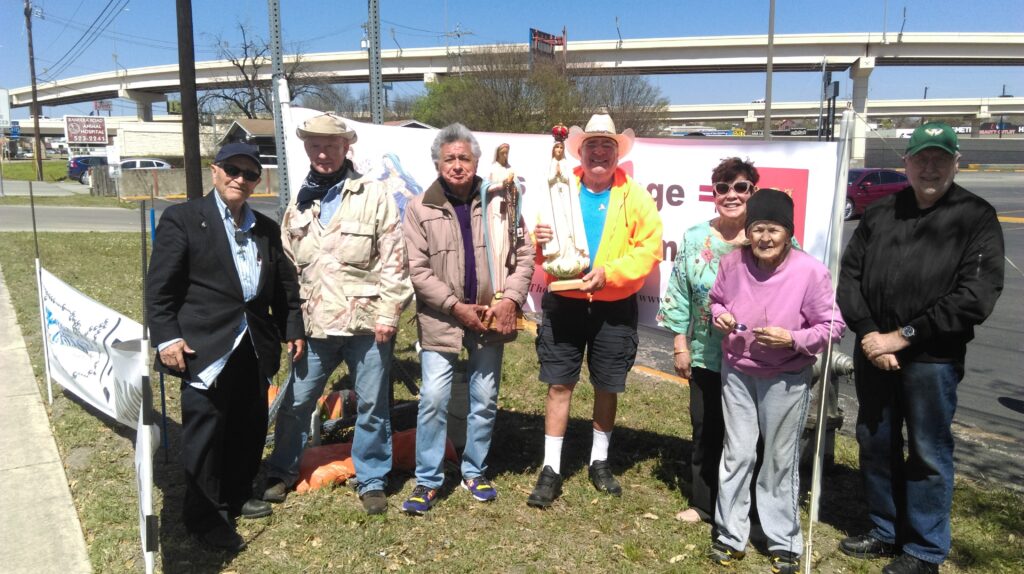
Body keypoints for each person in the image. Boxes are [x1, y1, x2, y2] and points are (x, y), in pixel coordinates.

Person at [837, 122, 1004, 574]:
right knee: (876, 441)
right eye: (922, 158)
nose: (930, 167)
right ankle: (885, 528)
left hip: (932, 359)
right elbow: (850, 277)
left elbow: (975, 296)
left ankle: (925, 548)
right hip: (874, 350)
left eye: (940, 158)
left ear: (955, 162)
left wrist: (903, 336)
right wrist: (870, 335)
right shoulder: (881, 213)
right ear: (906, 163)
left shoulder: (975, 216)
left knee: (928, 452)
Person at [146, 141, 305, 551]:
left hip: (253, 342)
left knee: (248, 424)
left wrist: (292, 328)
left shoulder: (264, 227)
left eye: (249, 174)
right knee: (206, 432)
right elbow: (160, 288)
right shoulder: (183, 219)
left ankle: (236, 493)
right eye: (232, 169)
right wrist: (167, 338)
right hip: (204, 344)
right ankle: (205, 515)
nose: (240, 179)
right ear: (215, 171)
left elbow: (284, 288)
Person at [262, 113, 413, 515]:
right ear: (306, 149)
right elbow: (289, 272)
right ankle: (280, 471)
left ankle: (372, 478)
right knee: (297, 401)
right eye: (315, 146)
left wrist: (389, 313)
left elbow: (395, 259)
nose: (323, 153)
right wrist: (291, 324)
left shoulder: (374, 194)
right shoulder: (299, 204)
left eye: (331, 145)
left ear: (347, 147)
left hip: (367, 324)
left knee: (372, 406)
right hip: (315, 326)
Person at [527, 112, 663, 508]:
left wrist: (610, 274)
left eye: (607, 145)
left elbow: (649, 250)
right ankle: (551, 467)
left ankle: (599, 461)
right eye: (592, 145)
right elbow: (539, 245)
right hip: (564, 302)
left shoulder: (635, 196)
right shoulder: (559, 187)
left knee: (607, 384)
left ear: (617, 154)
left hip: (613, 306)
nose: (599, 152)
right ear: (580, 152)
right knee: (558, 384)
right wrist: (538, 240)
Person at [707, 188, 845, 574]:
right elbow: (716, 300)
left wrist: (793, 339)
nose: (765, 238)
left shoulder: (810, 272)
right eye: (757, 229)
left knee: (779, 459)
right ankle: (730, 534)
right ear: (747, 231)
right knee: (737, 453)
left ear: (788, 233)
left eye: (774, 230)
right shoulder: (732, 263)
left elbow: (833, 326)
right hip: (738, 371)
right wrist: (719, 315)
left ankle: (783, 540)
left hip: (786, 376)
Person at [401, 123, 534, 514]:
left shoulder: (502, 199)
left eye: (464, 158)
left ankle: (475, 471)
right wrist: (455, 307)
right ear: (437, 164)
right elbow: (417, 270)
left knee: (485, 398)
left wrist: (511, 299)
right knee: (433, 398)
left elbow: (524, 254)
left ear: (476, 161)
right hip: (441, 318)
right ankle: (428, 480)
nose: (457, 165)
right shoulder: (419, 207)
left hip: (491, 316)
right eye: (449, 159)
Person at [657, 157, 759, 524]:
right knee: (705, 428)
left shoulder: (768, 236)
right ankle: (704, 503)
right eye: (723, 188)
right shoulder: (694, 237)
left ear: (753, 192)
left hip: (756, 356)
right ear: (714, 194)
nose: (732, 195)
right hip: (706, 353)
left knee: (749, 436)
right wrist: (680, 345)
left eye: (741, 187)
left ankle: (749, 508)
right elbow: (679, 293)